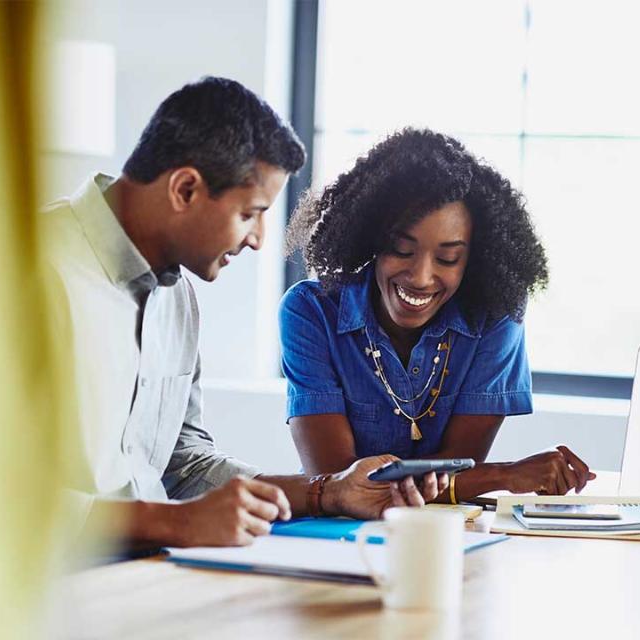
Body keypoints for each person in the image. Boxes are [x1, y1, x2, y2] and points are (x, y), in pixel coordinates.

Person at [42, 78, 443, 550]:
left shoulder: (177, 298)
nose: (258, 238)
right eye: (250, 213)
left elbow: (183, 464)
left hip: (152, 581)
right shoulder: (20, 270)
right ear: (185, 189)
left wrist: (329, 492)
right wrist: (176, 524)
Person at [281, 128, 596, 502]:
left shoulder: (495, 317)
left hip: (445, 532)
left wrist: (476, 477)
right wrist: (505, 475)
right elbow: (341, 484)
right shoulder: (311, 311)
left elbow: (457, 470)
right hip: (331, 537)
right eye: (400, 249)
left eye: (448, 258)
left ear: (473, 259)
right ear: (370, 241)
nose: (420, 277)